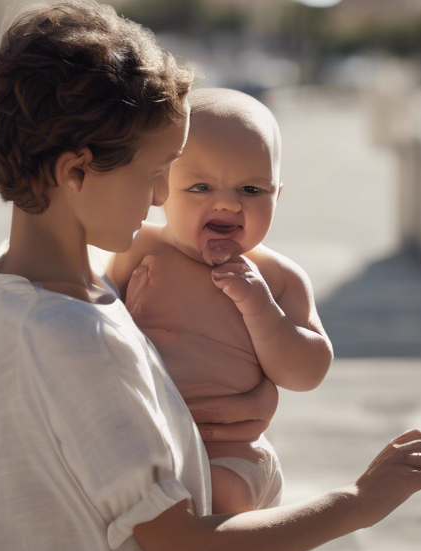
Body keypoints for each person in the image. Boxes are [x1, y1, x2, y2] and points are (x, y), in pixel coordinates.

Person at [0, 2, 421, 551]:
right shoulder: (77, 339)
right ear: (76, 172)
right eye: (154, 176)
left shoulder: (18, 282)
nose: (159, 201)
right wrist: (359, 503)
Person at [107, 88, 331, 515]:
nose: (228, 202)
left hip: (232, 454)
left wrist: (260, 308)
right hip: (154, 445)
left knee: (219, 494)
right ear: (161, 190)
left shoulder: (276, 278)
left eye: (251, 188)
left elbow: (308, 372)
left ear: (277, 196)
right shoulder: (136, 250)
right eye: (200, 186)